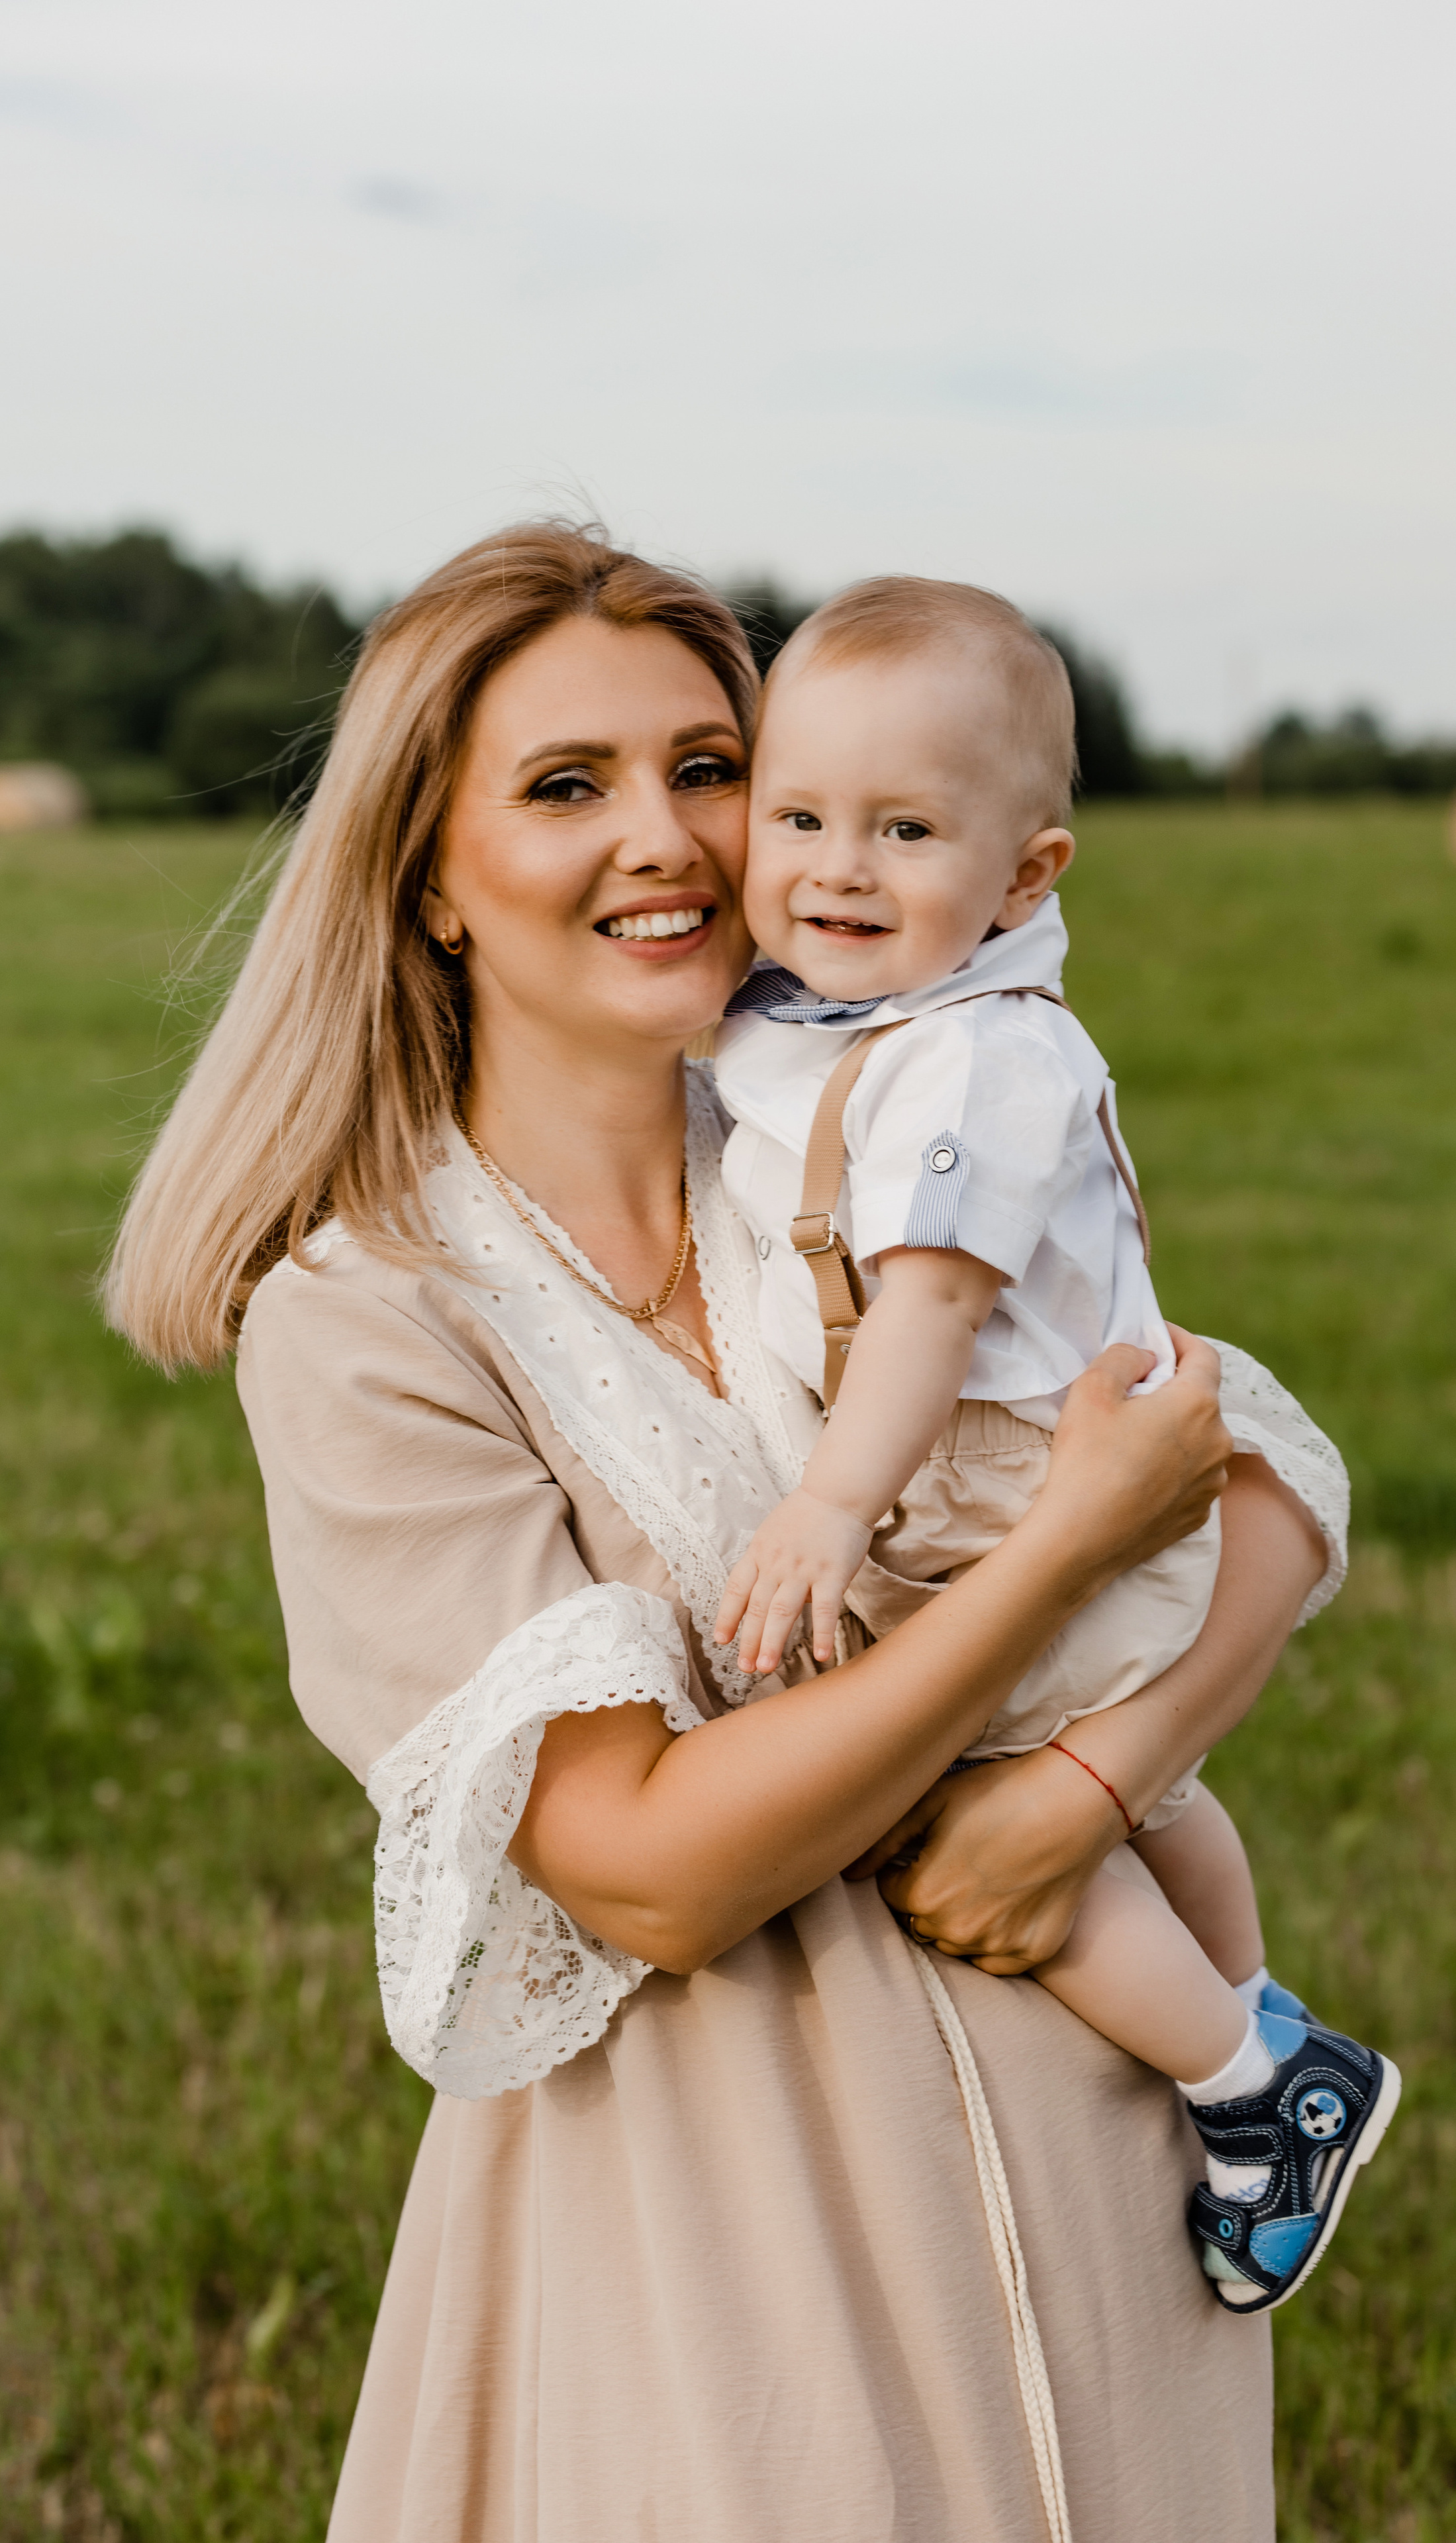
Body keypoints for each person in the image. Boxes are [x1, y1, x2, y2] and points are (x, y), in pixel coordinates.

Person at [105, 523, 1343, 2542]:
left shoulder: (862, 1121)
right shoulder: (371, 1317)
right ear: (430, 877)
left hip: (1107, 2189)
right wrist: (1050, 1566)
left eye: (705, 767)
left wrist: (1086, 1791)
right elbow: (652, 1872)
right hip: (723, 2249)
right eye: (565, 785)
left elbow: (1260, 1490)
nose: (667, 837)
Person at [709, 576, 1396, 2311]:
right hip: (1015, 1480)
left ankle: (1253, 2083)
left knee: (967, 1799)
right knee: (1149, 1792)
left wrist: (830, 1505)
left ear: (1026, 877)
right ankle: (1256, 2021)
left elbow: (930, 1312)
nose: (839, 868)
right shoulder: (844, 1010)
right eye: (798, 818)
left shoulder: (971, 1060)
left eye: (906, 830)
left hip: (1002, 1485)